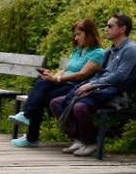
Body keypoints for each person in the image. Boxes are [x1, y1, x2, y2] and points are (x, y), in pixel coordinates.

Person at [49, 13, 136, 156]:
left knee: (80, 106)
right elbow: (101, 73)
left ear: (122, 29)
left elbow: (120, 76)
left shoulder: (131, 49)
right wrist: (90, 83)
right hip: (102, 89)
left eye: (110, 26)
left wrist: (93, 85)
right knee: (56, 103)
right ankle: (78, 139)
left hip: (117, 95)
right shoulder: (109, 51)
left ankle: (90, 142)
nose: (105, 29)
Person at [9, 18, 105, 147]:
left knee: (42, 98)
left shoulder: (98, 53)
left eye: (78, 34)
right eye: (75, 35)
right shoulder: (77, 51)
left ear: (89, 33)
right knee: (41, 82)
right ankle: (27, 118)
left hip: (76, 87)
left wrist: (57, 79)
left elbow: (82, 74)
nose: (76, 38)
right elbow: (65, 69)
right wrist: (52, 76)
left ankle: (31, 133)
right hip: (62, 83)